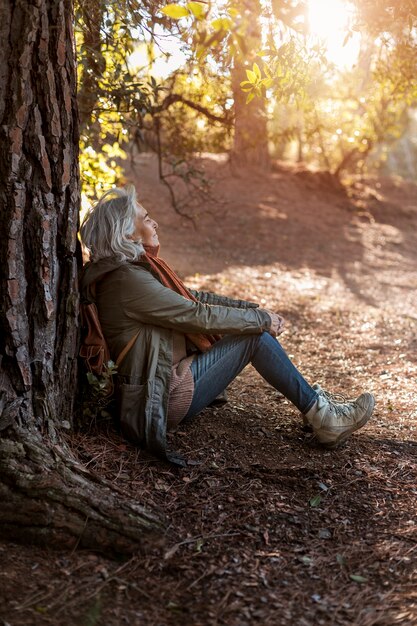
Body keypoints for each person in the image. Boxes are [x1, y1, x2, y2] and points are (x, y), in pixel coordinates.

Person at [79, 185, 375, 465]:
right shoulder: (126, 281)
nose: (154, 223)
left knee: (253, 328)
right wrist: (259, 321)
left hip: (170, 381)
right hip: (165, 397)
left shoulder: (131, 272)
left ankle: (316, 407)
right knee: (254, 337)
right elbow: (196, 315)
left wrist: (253, 309)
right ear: (128, 233)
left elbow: (196, 298)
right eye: (146, 218)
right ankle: (325, 419)